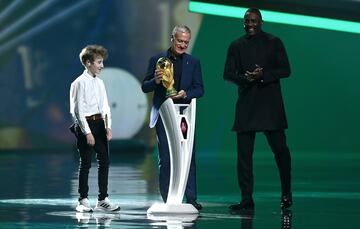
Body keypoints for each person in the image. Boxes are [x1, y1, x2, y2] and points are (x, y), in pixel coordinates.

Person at [223, 8, 293, 210]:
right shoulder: (236, 45)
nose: (250, 24)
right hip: (247, 104)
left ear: (261, 22)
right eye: (247, 21)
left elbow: (285, 69)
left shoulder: (274, 42)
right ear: (243, 23)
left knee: (281, 151)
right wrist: (245, 78)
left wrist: (263, 75)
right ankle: (246, 199)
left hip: (270, 105)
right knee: (244, 157)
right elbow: (227, 73)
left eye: (254, 20)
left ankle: (286, 193)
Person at [141, 25, 204, 210]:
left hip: (184, 115)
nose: (183, 45)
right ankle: (169, 198)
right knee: (166, 159)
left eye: (186, 42)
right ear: (172, 39)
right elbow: (145, 86)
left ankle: (191, 199)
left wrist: (185, 93)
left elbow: (200, 89)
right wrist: (156, 81)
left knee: (188, 157)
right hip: (163, 114)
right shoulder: (156, 59)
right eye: (180, 41)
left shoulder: (193, 62)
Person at [70, 45, 120, 212]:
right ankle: (83, 200)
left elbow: (105, 107)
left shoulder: (100, 83)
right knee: (85, 163)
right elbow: (77, 110)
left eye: (102, 62)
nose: (102, 66)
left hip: (100, 124)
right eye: (99, 62)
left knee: (104, 161)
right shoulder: (78, 83)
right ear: (88, 62)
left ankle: (102, 199)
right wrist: (87, 132)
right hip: (86, 124)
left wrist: (108, 127)